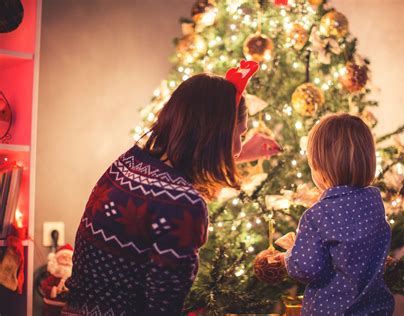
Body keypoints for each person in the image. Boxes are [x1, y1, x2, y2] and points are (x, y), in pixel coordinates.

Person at [62, 61, 281, 316]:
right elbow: (163, 306)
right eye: (239, 136)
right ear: (214, 137)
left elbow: (172, 185)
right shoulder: (183, 205)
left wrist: (234, 157)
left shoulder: (129, 162)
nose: (237, 149)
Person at [278, 114, 395, 315]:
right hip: (376, 308)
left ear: (319, 167)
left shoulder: (317, 215)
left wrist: (289, 256)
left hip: (332, 310)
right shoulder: (374, 203)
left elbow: (307, 268)